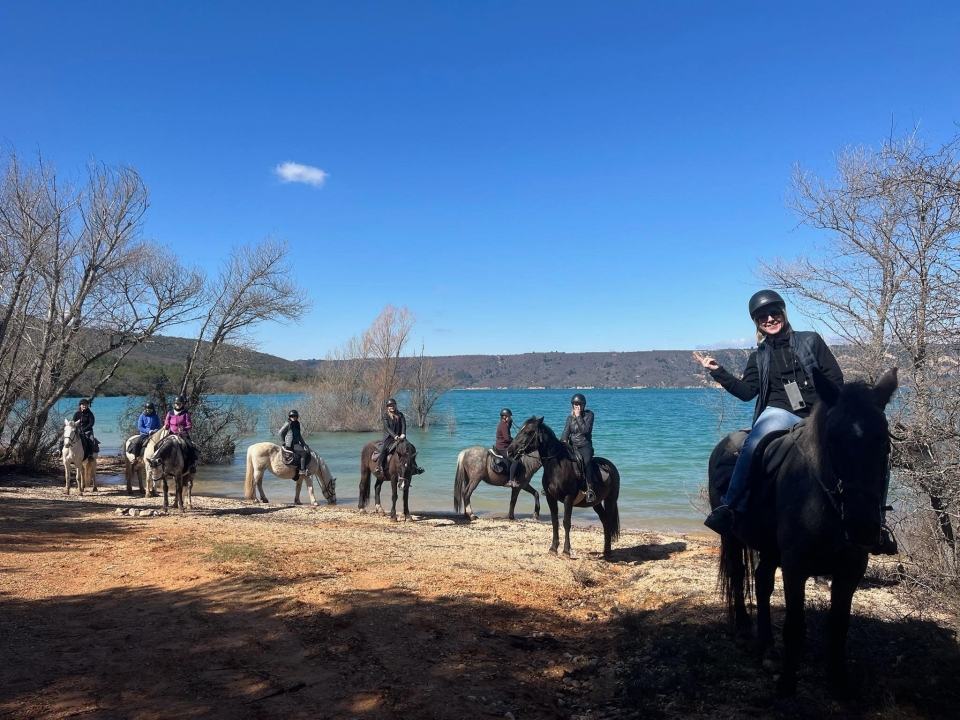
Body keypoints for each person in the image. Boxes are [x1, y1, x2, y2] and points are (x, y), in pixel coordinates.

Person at [696, 289, 848, 535]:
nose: (769, 319)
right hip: (781, 411)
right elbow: (747, 392)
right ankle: (731, 506)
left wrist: (830, 408)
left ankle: (873, 521)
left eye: (773, 313)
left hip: (820, 410)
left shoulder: (811, 340)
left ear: (783, 313)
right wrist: (717, 371)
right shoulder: (759, 356)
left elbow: (834, 378)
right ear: (757, 322)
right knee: (754, 442)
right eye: (762, 317)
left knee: (865, 444)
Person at [561, 393, 596, 503]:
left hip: (585, 446)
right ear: (572, 406)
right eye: (576, 405)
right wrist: (562, 442)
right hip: (573, 447)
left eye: (580, 404)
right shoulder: (569, 419)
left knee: (587, 461)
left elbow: (585, 430)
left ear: (584, 405)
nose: (578, 406)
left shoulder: (589, 415)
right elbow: (566, 432)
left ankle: (590, 489)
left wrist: (578, 415)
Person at [164, 395, 198, 473]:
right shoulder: (170, 413)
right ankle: (160, 463)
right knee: (160, 446)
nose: (177, 405)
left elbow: (189, 425)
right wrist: (166, 426)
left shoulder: (186, 413)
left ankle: (192, 464)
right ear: (174, 404)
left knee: (190, 446)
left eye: (179, 404)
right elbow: (167, 422)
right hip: (171, 434)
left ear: (182, 404)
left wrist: (184, 428)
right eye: (176, 403)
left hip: (183, 434)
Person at [375, 398, 406, 475]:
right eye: (390, 406)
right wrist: (394, 436)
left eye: (393, 405)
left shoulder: (400, 415)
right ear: (387, 407)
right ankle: (379, 466)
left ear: (395, 405)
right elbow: (387, 428)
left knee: (409, 448)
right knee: (384, 448)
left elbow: (403, 425)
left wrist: (403, 434)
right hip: (389, 437)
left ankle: (415, 467)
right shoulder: (386, 416)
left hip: (400, 438)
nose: (392, 407)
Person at [495, 408, 522, 488]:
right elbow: (507, 438)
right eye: (509, 416)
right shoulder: (504, 425)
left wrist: (509, 424)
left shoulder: (502, 424)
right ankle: (510, 480)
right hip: (502, 447)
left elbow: (506, 434)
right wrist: (516, 441)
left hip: (500, 446)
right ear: (505, 417)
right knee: (515, 461)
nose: (510, 418)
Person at [279, 409, 310, 478]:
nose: (293, 417)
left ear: (297, 417)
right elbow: (280, 432)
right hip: (290, 445)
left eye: (295, 416)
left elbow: (299, 435)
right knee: (303, 453)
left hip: (296, 443)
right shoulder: (288, 423)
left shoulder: (297, 423)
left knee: (307, 450)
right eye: (292, 416)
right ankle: (302, 470)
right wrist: (283, 442)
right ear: (290, 417)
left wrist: (304, 444)